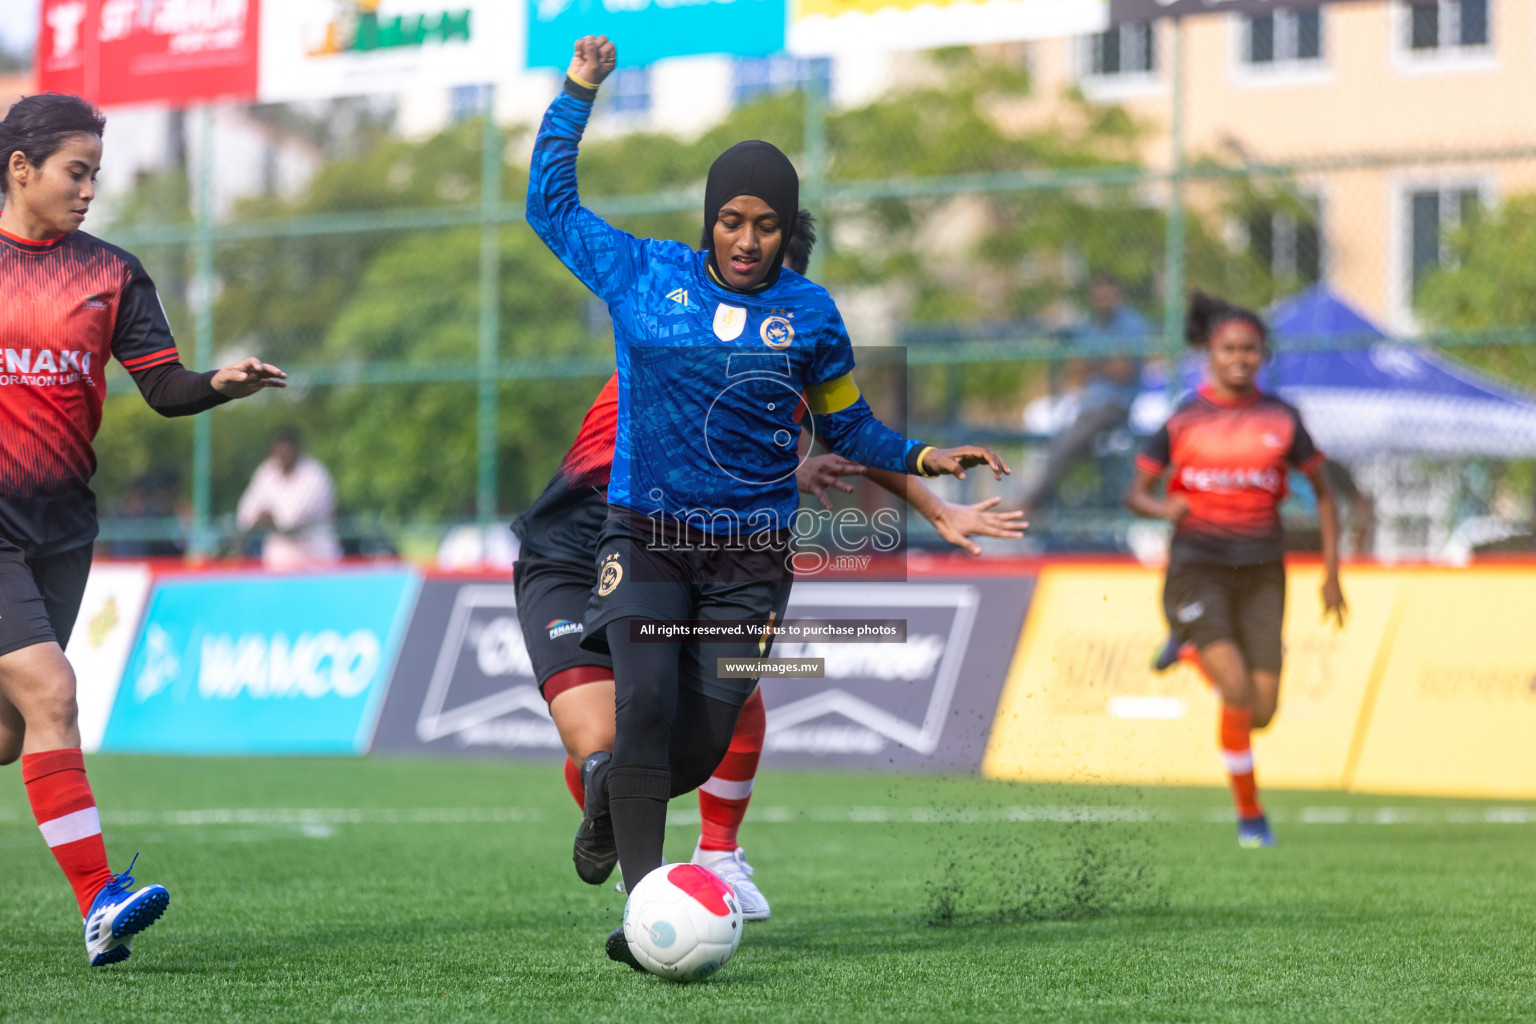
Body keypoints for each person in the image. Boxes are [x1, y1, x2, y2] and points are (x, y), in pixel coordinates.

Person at [528, 35, 1008, 971]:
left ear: (788, 230)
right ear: (710, 220)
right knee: (647, 705)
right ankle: (643, 911)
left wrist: (926, 457)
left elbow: (850, 429)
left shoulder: (815, 315)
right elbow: (550, 204)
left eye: (767, 226)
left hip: (752, 559)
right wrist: (580, 91)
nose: (748, 240)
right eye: (733, 221)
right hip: (647, 538)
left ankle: (607, 803)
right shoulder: (641, 273)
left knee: (704, 746)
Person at [0, 93, 287, 965]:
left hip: (63, 522)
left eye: (95, 174)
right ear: (21, 170)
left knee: (12, 732)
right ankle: (99, 901)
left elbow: (162, 387)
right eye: (75, 172)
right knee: (52, 692)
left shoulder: (114, 274)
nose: (89, 190)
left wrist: (219, 385)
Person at [1125, 291, 1345, 849]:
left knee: (1262, 713)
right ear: (1210, 353)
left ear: (1263, 355)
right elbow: (1137, 493)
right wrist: (1161, 507)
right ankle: (1251, 817)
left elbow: (1323, 495)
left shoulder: (1282, 418)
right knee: (1238, 689)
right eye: (1229, 349)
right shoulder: (1183, 419)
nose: (1240, 358)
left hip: (1264, 571)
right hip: (1198, 568)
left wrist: (1331, 573)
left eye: (1250, 349)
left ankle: (1186, 648)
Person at [1021, 273, 1151, 513]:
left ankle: (1032, 502)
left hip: (1116, 405)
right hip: (1088, 404)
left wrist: (1095, 364)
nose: (1102, 299)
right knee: (1061, 439)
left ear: (1118, 294)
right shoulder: (1089, 326)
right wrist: (1105, 363)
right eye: (1097, 295)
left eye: (1107, 293)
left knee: (1072, 439)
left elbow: (1123, 370)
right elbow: (1077, 369)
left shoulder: (1132, 324)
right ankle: (1051, 507)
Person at [234, 428, 342, 570]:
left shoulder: (315, 475)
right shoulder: (266, 472)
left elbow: (291, 521)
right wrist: (264, 518)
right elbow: (245, 515)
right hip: (279, 562)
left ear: (297, 449)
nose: (283, 455)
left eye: (287, 451)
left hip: (316, 562)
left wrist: (266, 517)